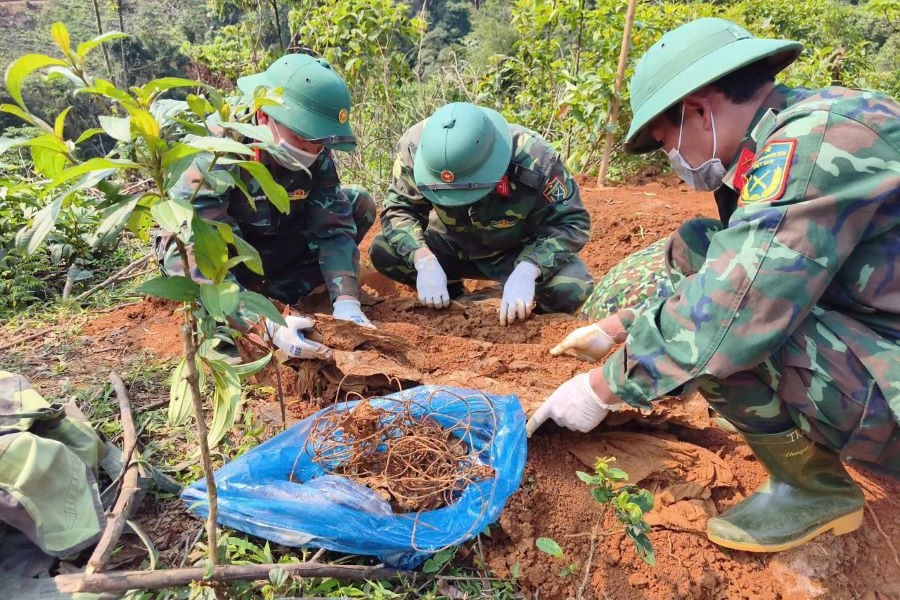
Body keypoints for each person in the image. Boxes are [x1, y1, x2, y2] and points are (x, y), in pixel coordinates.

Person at [527, 17, 899, 553]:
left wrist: (602, 387)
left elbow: (734, 309)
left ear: (700, 109)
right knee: (701, 245)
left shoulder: (811, 144)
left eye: (665, 144)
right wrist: (620, 327)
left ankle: (813, 488)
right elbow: (737, 262)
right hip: (878, 328)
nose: (673, 162)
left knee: (713, 338)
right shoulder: (800, 126)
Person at [156, 53, 376, 359]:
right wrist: (263, 322)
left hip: (274, 249)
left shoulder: (315, 149)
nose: (312, 151)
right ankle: (235, 311)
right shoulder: (215, 151)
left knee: (357, 203)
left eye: (319, 143)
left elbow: (333, 227)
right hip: (225, 260)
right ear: (263, 117)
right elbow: (192, 248)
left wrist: (347, 301)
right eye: (302, 141)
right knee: (180, 253)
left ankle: (285, 294)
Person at [369, 102, 593, 325]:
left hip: (514, 252)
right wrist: (423, 259)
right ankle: (452, 294)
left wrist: (529, 269)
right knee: (384, 250)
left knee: (573, 286)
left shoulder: (535, 159)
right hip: (447, 247)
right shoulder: (415, 149)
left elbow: (572, 222)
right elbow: (399, 209)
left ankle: (530, 319)